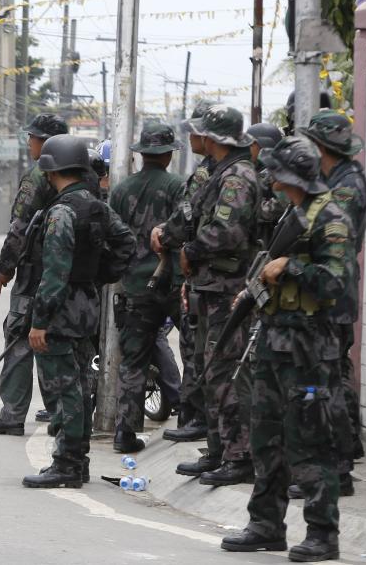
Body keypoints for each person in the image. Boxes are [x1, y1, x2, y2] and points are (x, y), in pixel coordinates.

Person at [221, 136, 352, 562]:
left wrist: (291, 267)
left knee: (311, 440)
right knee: (266, 436)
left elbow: (336, 282)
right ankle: (265, 524)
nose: (269, 176)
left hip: (310, 350)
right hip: (275, 344)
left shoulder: (330, 218)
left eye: (274, 170)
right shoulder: (293, 215)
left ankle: (322, 533)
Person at [20, 135, 135, 488]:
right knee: (81, 387)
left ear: (51, 170)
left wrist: (39, 322)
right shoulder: (96, 206)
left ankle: (67, 464)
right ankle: (77, 461)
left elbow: (54, 274)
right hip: (87, 309)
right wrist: (96, 277)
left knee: (63, 390)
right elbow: (126, 243)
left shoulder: (61, 212)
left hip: (61, 314)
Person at [153, 104, 259, 486]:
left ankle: (238, 456)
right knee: (209, 371)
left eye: (199, 132)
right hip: (209, 288)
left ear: (213, 139)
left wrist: (191, 250)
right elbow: (193, 216)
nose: (193, 137)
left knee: (224, 373)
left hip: (227, 290)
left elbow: (226, 232)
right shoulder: (219, 173)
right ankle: (218, 451)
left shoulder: (237, 178)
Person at [285, 110, 366, 499]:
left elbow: (330, 239)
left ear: (322, 148)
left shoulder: (347, 186)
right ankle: (340, 460)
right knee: (330, 382)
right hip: (323, 293)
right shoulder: (334, 178)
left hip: (333, 294)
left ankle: (340, 466)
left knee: (332, 385)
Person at [0, 114, 68, 436]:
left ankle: (13, 414)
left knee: (19, 337)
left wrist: (5, 268)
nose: (29, 143)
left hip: (35, 274)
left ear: (44, 142)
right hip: (69, 275)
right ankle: (62, 411)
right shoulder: (81, 172)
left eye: (33, 138)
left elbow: (19, 227)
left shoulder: (38, 176)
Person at [109, 123, 185, 453]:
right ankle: (191, 422)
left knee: (133, 362)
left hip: (133, 289)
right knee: (193, 352)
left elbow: (111, 238)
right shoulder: (177, 187)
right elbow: (185, 233)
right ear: (168, 155)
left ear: (142, 154)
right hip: (170, 284)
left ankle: (124, 433)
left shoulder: (121, 190)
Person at [159, 99, 215, 443]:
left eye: (196, 129)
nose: (191, 134)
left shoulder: (211, 173)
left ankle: (198, 420)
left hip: (210, 279)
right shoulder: (210, 170)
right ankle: (197, 419)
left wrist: (166, 236)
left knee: (200, 352)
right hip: (200, 277)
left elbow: (188, 219)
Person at [249, 123, 287, 250]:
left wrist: (249, 209)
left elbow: (281, 204)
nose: (248, 148)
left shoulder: (277, 173)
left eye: (251, 144)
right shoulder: (256, 171)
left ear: (261, 146)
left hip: (269, 241)